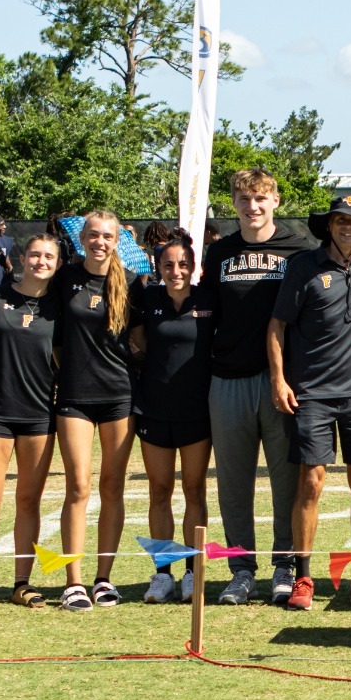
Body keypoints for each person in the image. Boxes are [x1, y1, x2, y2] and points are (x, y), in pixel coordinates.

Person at [198, 168, 315, 606]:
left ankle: (284, 566)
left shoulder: (298, 249)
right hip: (227, 379)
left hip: (279, 382)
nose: (253, 207)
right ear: (234, 204)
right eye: (245, 200)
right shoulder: (220, 252)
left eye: (261, 199)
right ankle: (240, 569)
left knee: (286, 479)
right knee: (233, 483)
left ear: (276, 201)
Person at [270, 195, 351, 609]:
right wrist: (279, 379)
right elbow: (277, 325)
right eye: (340, 220)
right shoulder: (303, 266)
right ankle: (303, 577)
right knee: (312, 482)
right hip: (313, 394)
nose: (347, 226)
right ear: (329, 225)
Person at [0, 231, 62, 609]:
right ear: (22, 257)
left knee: (28, 500)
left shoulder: (60, 306)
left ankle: (22, 583)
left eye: (49, 257)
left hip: (39, 414)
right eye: (35, 255)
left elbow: (63, 359)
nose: (41, 262)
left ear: (57, 264)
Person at [54, 210, 136, 610]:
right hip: (74, 398)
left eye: (107, 236)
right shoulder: (64, 278)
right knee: (77, 487)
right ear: (82, 238)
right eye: (93, 235)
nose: (99, 241)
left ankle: (103, 578)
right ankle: (73, 581)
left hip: (119, 396)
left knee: (112, 487)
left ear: (117, 240)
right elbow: (52, 337)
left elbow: (138, 341)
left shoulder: (132, 282)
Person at [133, 238, 214, 604]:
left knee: (195, 491)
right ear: (159, 267)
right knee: (160, 492)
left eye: (183, 264)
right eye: (168, 265)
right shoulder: (148, 301)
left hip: (197, 412)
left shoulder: (210, 300)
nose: (176, 271)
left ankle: (192, 573)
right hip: (154, 410)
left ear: (193, 267)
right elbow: (138, 344)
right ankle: (163, 574)